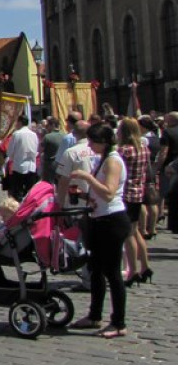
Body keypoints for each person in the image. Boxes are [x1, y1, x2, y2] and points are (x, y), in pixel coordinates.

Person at [68, 123, 131, 339]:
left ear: (103, 142)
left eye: (93, 142)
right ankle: (94, 315)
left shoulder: (113, 161)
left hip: (113, 220)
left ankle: (119, 322)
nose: (90, 145)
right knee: (95, 269)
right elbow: (99, 194)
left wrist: (86, 178)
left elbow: (109, 193)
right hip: (99, 218)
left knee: (112, 273)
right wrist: (85, 196)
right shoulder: (102, 159)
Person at [117, 118, 152, 286]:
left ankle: (133, 271)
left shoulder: (124, 150)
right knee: (136, 231)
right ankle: (145, 266)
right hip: (139, 193)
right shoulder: (143, 148)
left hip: (126, 194)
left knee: (128, 234)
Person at [5, 114, 39, 201]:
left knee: (17, 193)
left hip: (18, 166)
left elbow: (10, 152)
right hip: (31, 166)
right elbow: (36, 149)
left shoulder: (17, 134)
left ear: (19, 122)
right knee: (30, 192)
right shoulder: (34, 134)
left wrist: (13, 157)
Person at [40, 116, 66, 182]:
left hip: (49, 164)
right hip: (62, 164)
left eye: (47, 125)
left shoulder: (47, 136)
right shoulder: (65, 135)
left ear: (52, 125)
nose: (46, 127)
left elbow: (41, 150)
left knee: (48, 184)